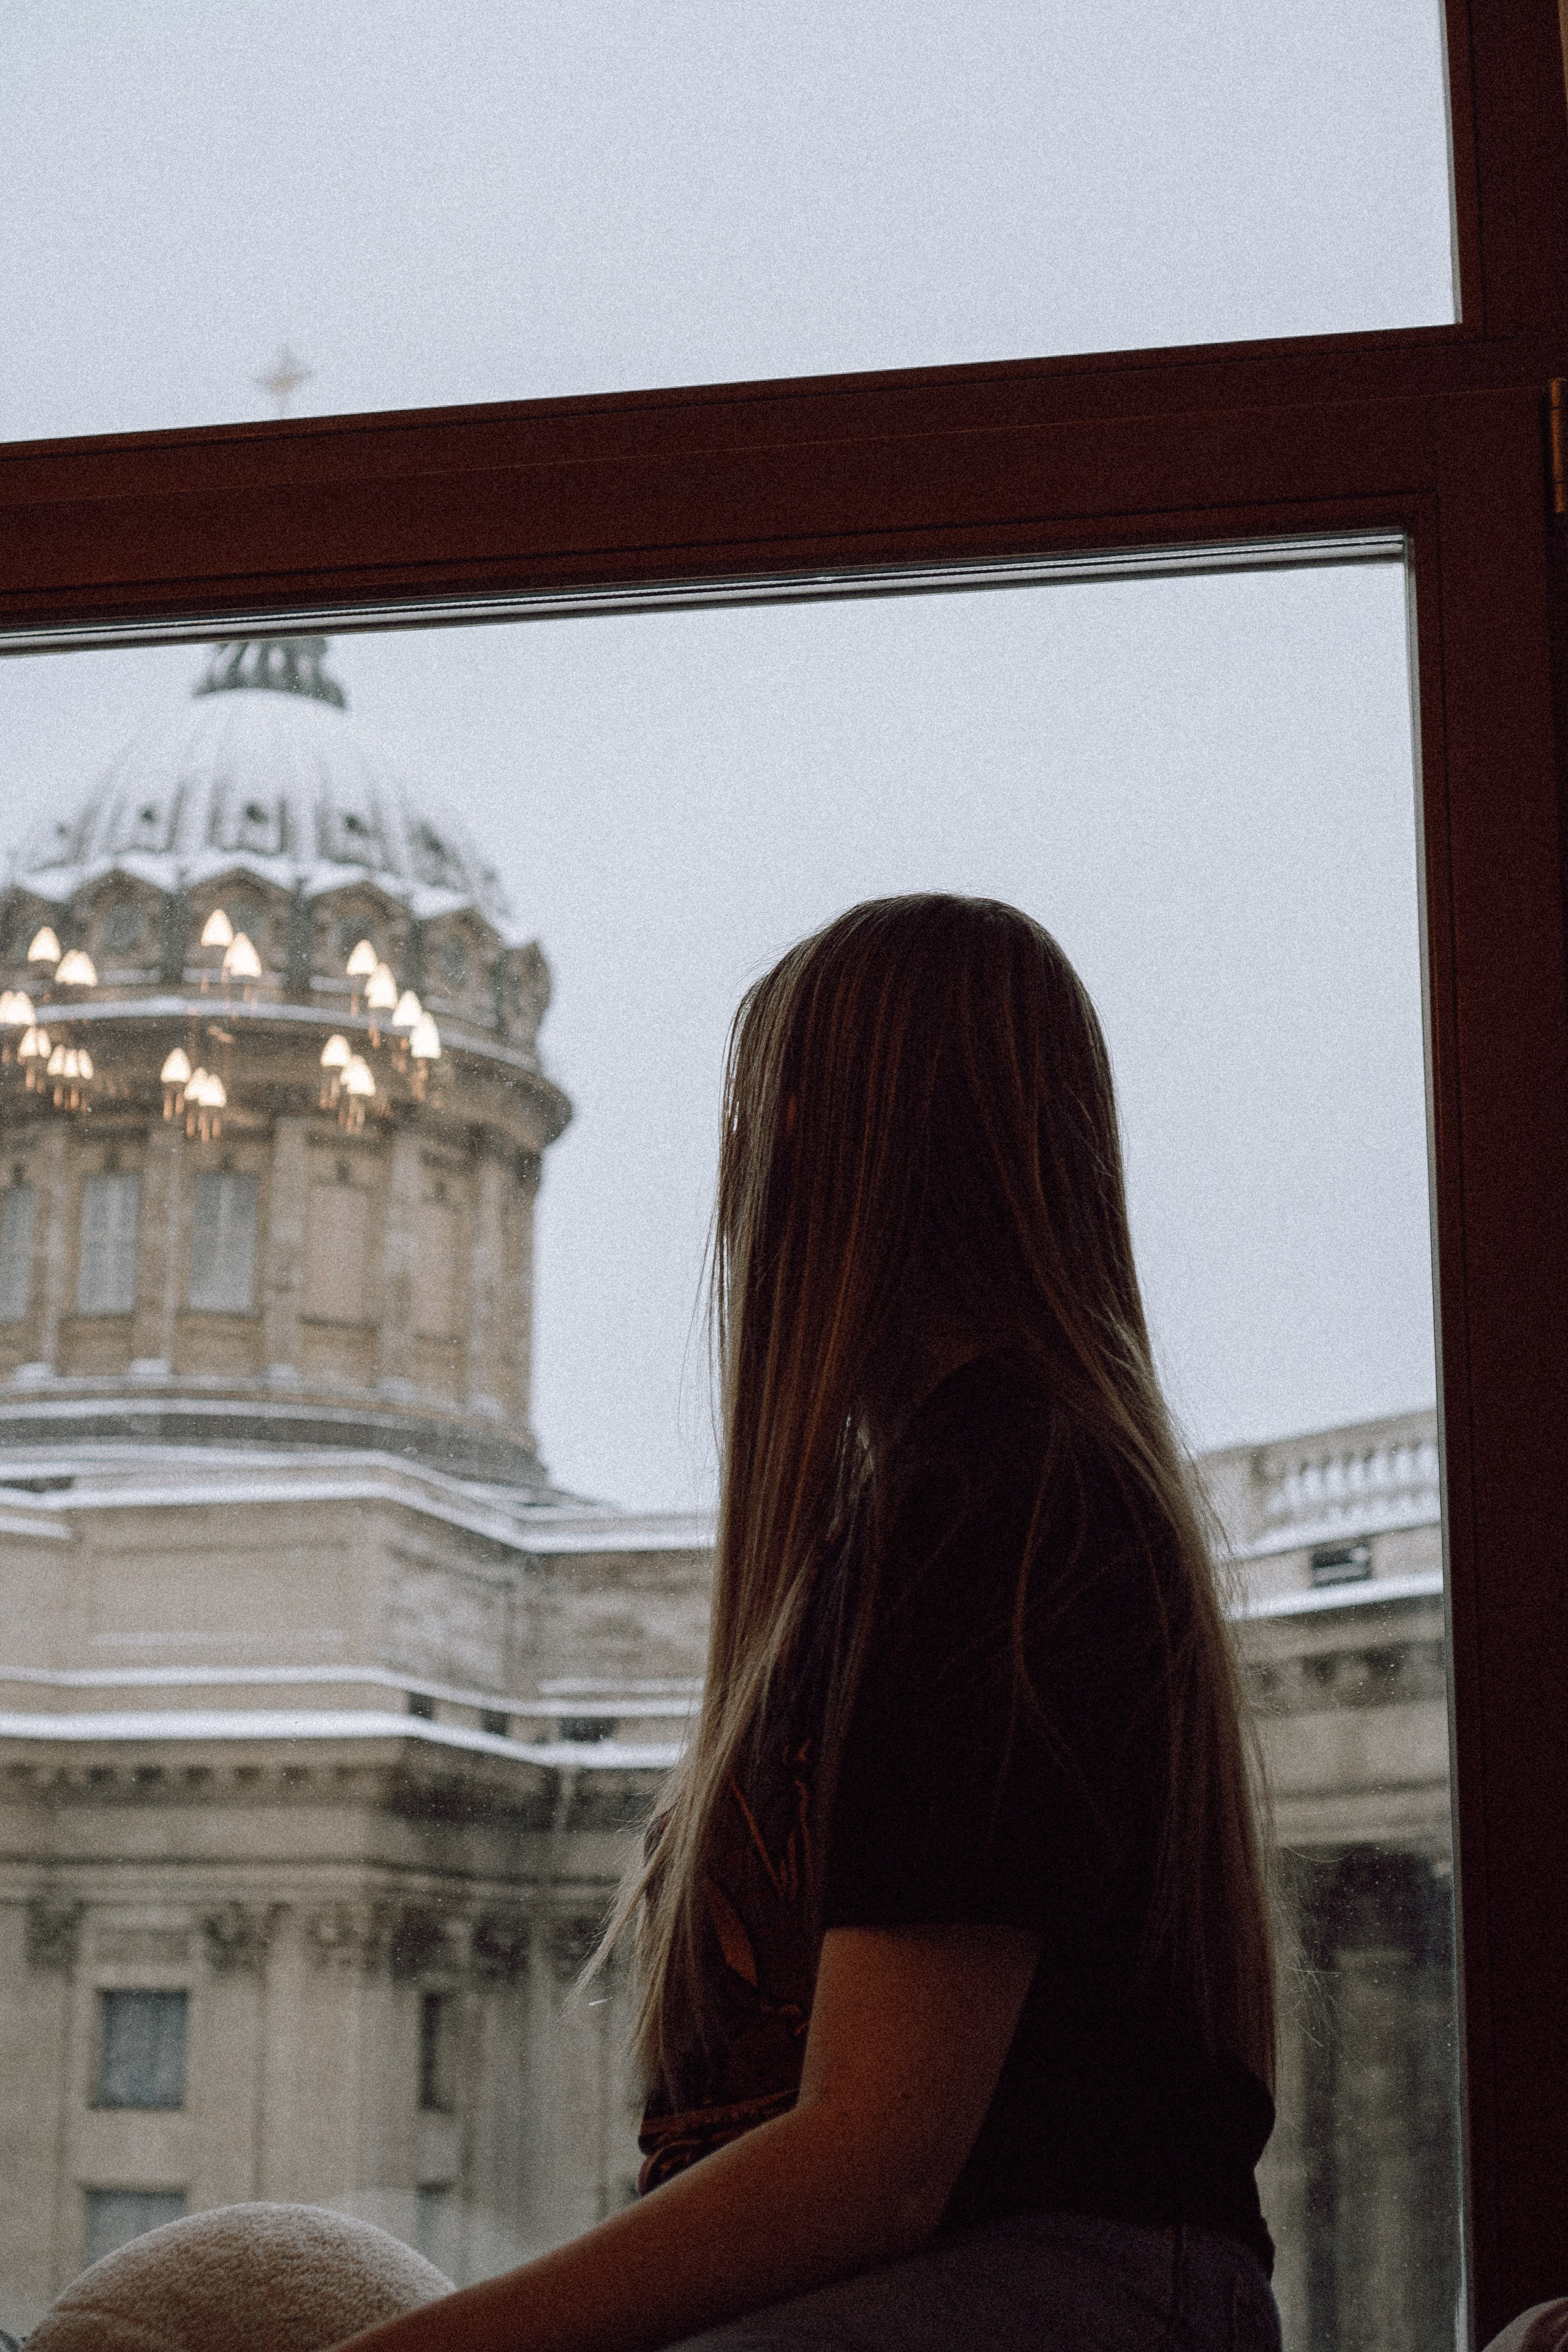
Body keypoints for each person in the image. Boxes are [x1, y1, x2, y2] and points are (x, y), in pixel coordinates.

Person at [334, 894, 1283, 2352]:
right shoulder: (967, 1492)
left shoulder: (997, 1501)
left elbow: (873, 2166)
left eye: (756, 1116)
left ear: (824, 1141)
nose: (730, 1184)